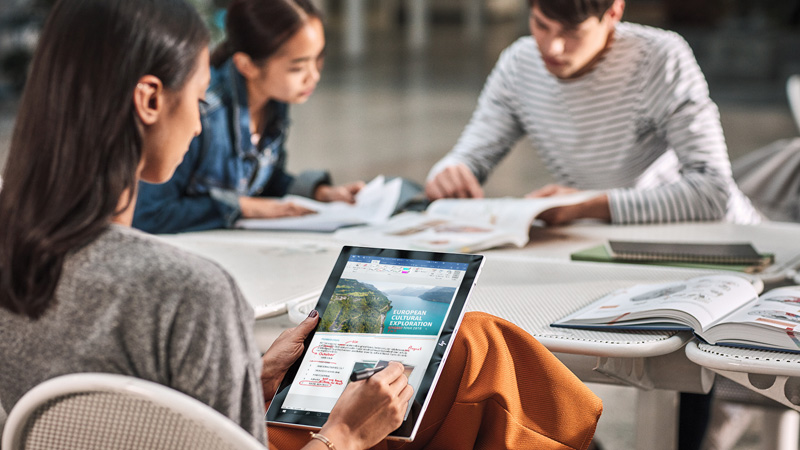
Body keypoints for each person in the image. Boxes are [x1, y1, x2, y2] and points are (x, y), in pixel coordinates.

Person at [0, 0, 602, 449]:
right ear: (150, 100)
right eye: (201, 98)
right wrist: (344, 432)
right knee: (471, 359)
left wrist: (252, 376)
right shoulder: (187, 293)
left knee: (470, 346)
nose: (199, 125)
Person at [425, 0, 761, 227]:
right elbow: (470, 157)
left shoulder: (659, 59)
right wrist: (451, 172)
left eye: (572, 33)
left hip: (725, 243)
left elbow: (713, 192)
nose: (552, 47)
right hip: (611, 242)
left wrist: (589, 205)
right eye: (541, 25)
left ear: (614, 11)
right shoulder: (519, 65)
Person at [132, 0, 364, 234]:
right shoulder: (202, 112)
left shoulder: (274, 100)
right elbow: (149, 213)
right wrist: (243, 208)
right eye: (297, 67)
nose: (313, 76)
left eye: (318, 59)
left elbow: (262, 183)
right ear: (247, 65)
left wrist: (320, 193)